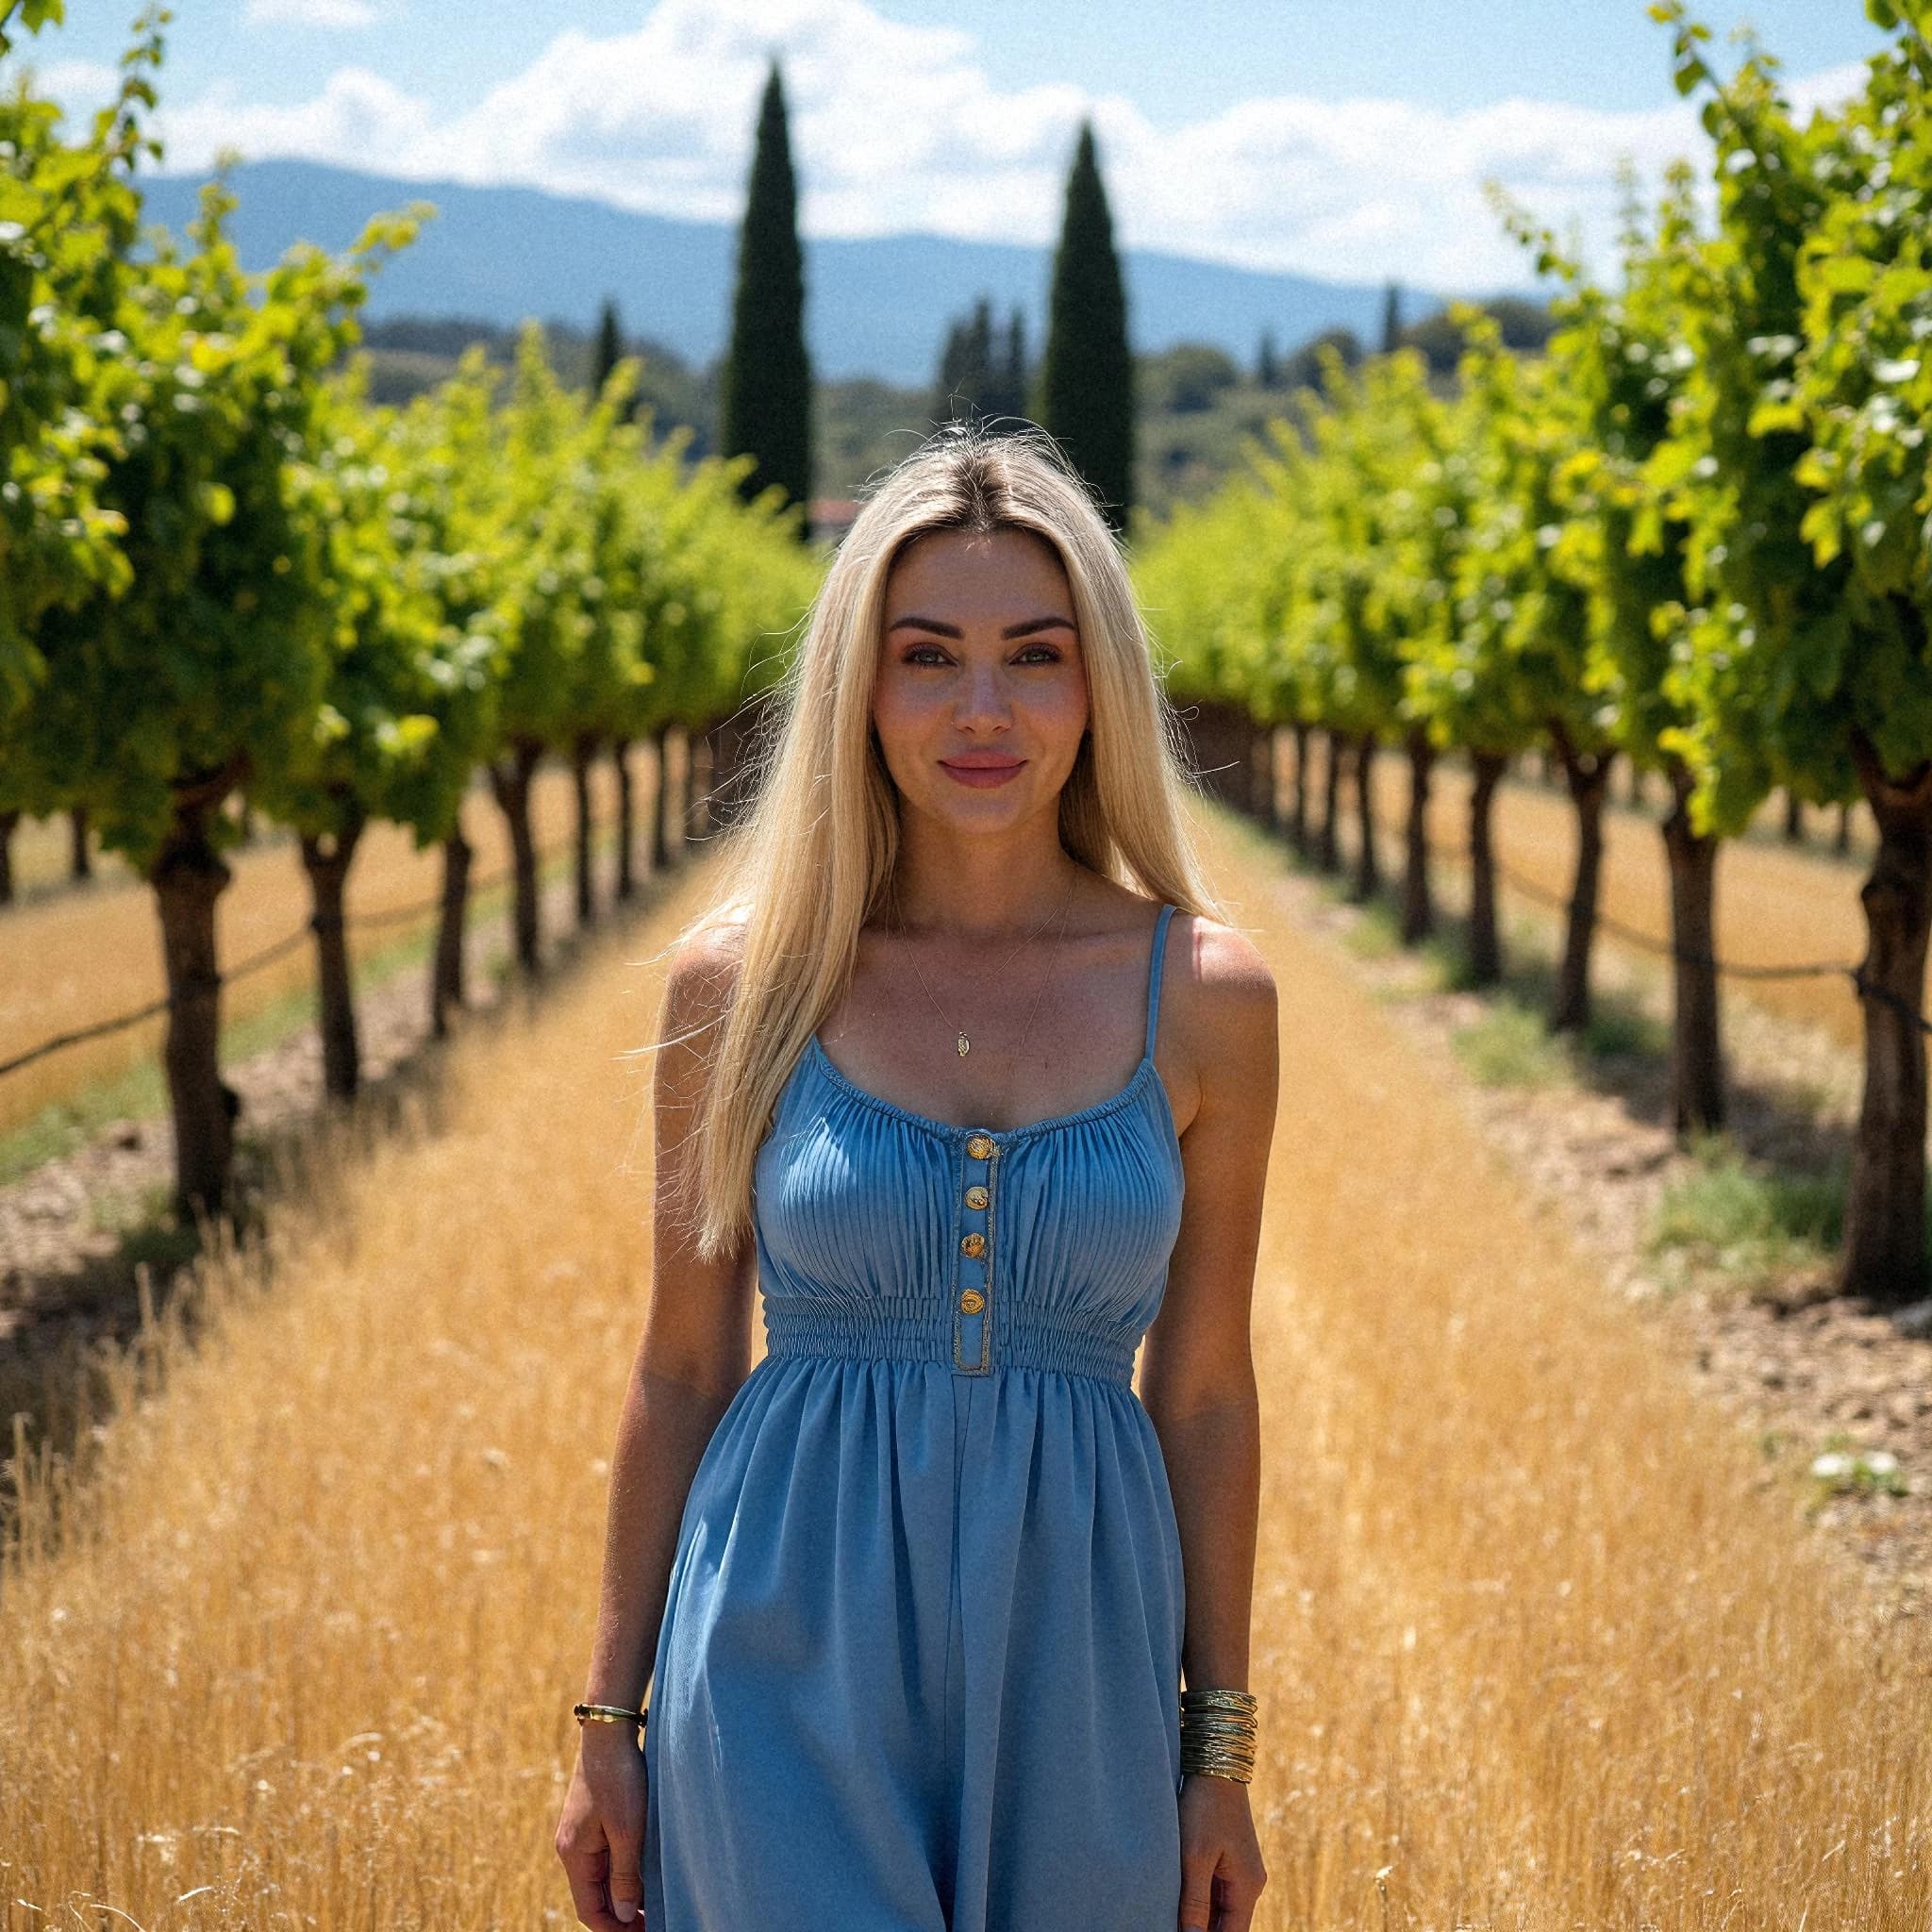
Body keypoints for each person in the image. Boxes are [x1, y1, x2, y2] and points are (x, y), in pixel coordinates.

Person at [554, 421, 1277, 1932]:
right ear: (859, 686)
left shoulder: (1207, 994)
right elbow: (682, 1366)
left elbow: (1203, 1390)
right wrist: (606, 1729)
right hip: (778, 1635)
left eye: (1035, 653)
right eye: (928, 654)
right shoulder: (738, 987)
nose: (985, 709)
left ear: (1100, 685)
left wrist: (1220, 1750)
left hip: (1084, 1653)